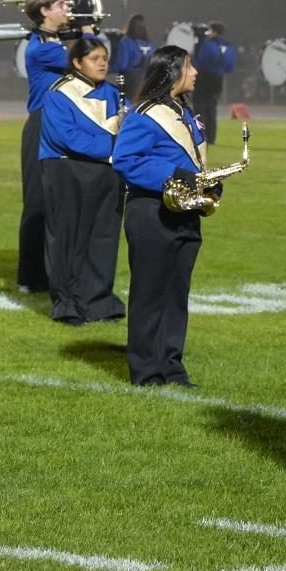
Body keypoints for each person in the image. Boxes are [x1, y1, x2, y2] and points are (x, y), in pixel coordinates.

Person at [113, 45, 210, 387]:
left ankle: (171, 365)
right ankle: (146, 370)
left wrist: (207, 187)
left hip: (184, 211)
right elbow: (125, 159)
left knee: (176, 295)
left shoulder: (184, 112)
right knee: (150, 294)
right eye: (189, 66)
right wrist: (174, 174)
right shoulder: (145, 114)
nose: (195, 71)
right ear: (171, 72)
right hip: (152, 212)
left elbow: (194, 164)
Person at [40, 34, 126, 325]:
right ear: (77, 63)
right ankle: (67, 302)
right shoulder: (58, 93)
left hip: (106, 173)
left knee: (103, 237)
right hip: (67, 171)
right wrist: (115, 145)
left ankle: (98, 300)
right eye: (94, 59)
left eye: (104, 58)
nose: (102, 64)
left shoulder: (115, 94)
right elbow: (68, 138)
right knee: (67, 237)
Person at [17, 0, 72, 295]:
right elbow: (80, 61)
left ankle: (51, 270)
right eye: (61, 5)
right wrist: (92, 33)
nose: (67, 9)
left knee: (57, 201)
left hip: (59, 124)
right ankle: (30, 276)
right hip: (41, 125)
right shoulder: (41, 47)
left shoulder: (53, 41)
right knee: (37, 202)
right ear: (45, 11)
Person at [192, 21, 236, 145]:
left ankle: (200, 135)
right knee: (211, 109)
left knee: (199, 107)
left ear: (214, 31)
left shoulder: (206, 44)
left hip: (204, 77)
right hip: (218, 78)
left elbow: (200, 62)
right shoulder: (227, 45)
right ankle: (211, 138)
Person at [115, 14, 154, 100]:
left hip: (130, 81)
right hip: (147, 80)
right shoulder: (150, 44)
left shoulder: (126, 42)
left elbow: (123, 65)